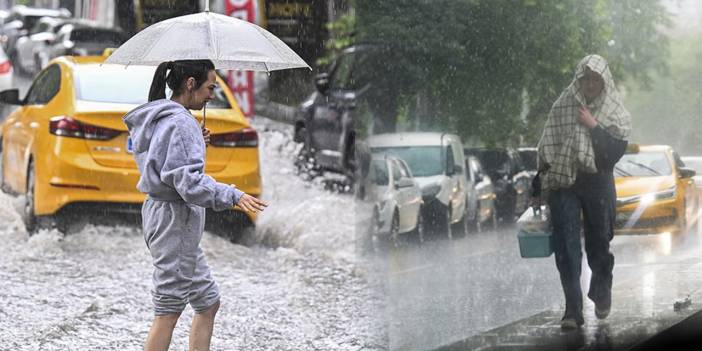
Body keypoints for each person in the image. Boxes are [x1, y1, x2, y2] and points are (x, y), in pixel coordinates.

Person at [123, 60, 268, 350]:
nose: (212, 94)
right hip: (174, 221)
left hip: (167, 218)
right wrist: (233, 195)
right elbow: (188, 184)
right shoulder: (180, 122)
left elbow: (160, 160)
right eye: (210, 87)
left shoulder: (162, 116)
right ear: (190, 83)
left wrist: (195, 143)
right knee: (168, 310)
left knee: (208, 301)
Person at [535, 54, 630, 330]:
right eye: (586, 79)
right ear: (579, 80)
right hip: (565, 181)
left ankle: (601, 293)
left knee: (599, 243)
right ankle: (572, 311)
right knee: (566, 247)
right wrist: (538, 182)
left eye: (595, 80)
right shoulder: (564, 105)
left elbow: (612, 154)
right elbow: (548, 144)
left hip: (598, 181)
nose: (590, 84)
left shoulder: (615, 112)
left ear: (604, 82)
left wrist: (593, 126)